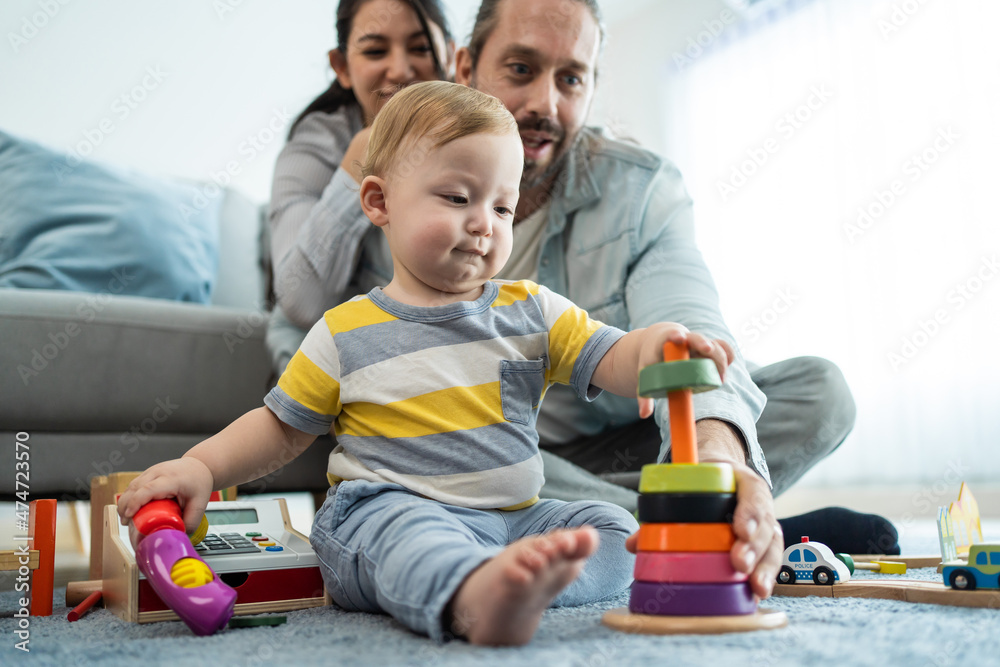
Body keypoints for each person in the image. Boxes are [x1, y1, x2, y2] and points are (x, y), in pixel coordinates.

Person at [119, 80, 745, 645]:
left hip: (515, 519)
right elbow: (281, 427)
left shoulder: (534, 311)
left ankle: (524, 580)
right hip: (386, 510)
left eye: (502, 208)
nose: (483, 225)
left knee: (615, 529)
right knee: (412, 540)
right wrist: (200, 466)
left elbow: (614, 356)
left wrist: (658, 346)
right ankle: (473, 598)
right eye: (456, 197)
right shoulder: (345, 330)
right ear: (379, 201)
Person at [267, 0, 455, 372]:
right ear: (342, 67)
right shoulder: (313, 147)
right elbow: (301, 302)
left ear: (451, 55)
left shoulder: (479, 138)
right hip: (323, 378)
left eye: (420, 48)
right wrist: (363, 157)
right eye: (375, 51)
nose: (401, 70)